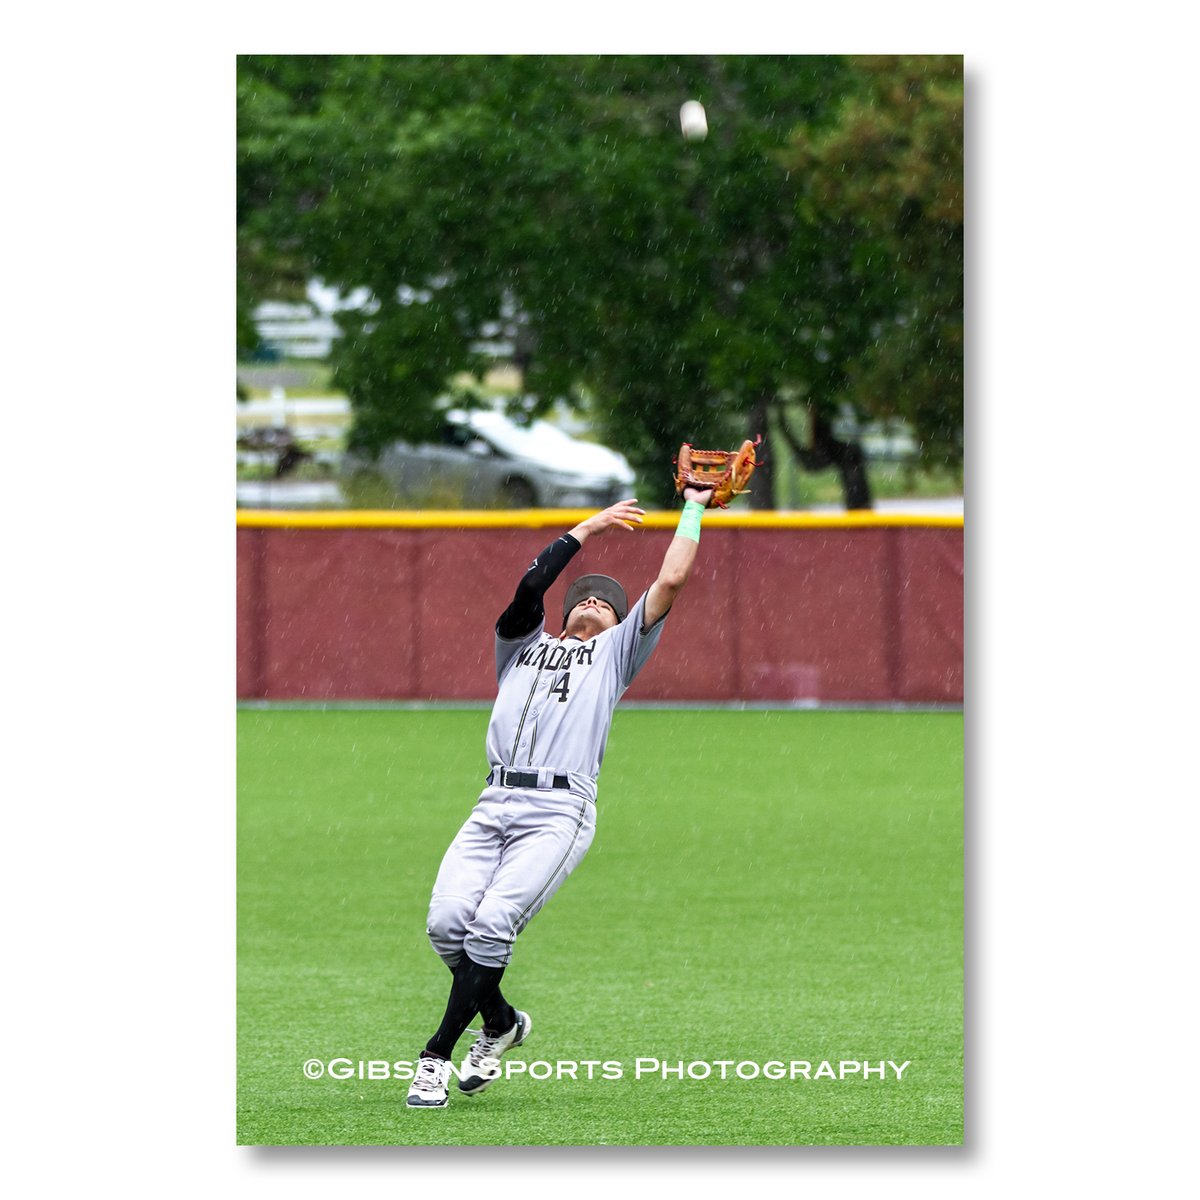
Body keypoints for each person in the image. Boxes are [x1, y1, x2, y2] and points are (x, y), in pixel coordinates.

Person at [405, 489, 714, 1108]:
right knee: (446, 927)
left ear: (621, 622)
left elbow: (673, 578)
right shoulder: (521, 646)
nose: (596, 602)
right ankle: (501, 1024)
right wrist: (589, 528)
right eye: (586, 597)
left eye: (609, 602)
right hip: (492, 804)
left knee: (491, 926)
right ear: (567, 610)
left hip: (558, 812)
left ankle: (435, 1056)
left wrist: (696, 507)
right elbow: (528, 589)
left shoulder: (616, 654)